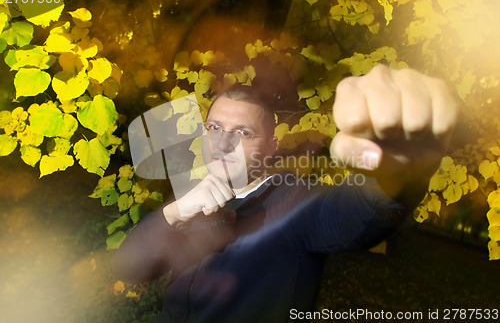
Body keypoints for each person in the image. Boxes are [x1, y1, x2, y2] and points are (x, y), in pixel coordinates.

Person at [113, 65, 459, 322]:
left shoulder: (297, 202)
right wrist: (175, 213)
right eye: (215, 127)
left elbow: (360, 217)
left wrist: (396, 169)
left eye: (243, 132)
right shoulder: (194, 196)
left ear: (271, 145)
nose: (222, 142)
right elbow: (130, 270)